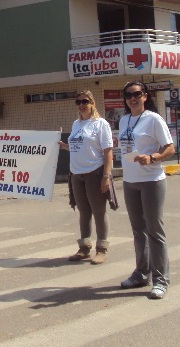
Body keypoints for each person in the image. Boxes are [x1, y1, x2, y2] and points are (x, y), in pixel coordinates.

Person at [118, 81, 175, 299]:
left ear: (145, 96)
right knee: (138, 231)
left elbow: (169, 147)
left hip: (151, 180)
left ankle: (161, 280)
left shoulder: (153, 119)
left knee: (154, 231)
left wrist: (152, 157)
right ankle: (141, 273)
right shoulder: (124, 120)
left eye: (137, 94)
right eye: (128, 95)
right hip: (130, 181)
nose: (132, 98)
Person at [59, 90, 114, 264]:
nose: (82, 105)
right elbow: (78, 147)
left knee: (98, 211)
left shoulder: (100, 124)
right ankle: (84, 248)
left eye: (85, 101)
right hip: (76, 174)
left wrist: (106, 176)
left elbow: (108, 152)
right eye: (78, 102)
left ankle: (102, 249)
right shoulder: (76, 124)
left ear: (92, 103)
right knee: (84, 212)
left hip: (94, 172)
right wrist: (65, 146)